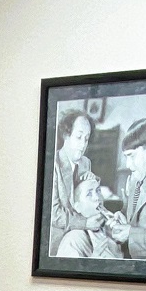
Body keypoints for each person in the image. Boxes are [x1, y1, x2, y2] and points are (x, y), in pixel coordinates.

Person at [112, 118, 146, 259]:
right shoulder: (136, 179)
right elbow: (134, 216)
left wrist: (130, 233)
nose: (128, 165)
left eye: (132, 156)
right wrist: (122, 218)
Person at [48, 107, 99, 252]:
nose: (83, 144)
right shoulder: (53, 165)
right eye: (79, 137)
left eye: (86, 138)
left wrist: (92, 180)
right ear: (66, 135)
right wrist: (85, 223)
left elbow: (87, 197)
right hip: (58, 239)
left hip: (83, 233)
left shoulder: (86, 162)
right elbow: (53, 213)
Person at [54, 173, 123, 259]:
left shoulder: (107, 230)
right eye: (89, 194)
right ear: (78, 207)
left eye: (98, 191)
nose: (97, 197)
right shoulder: (74, 239)